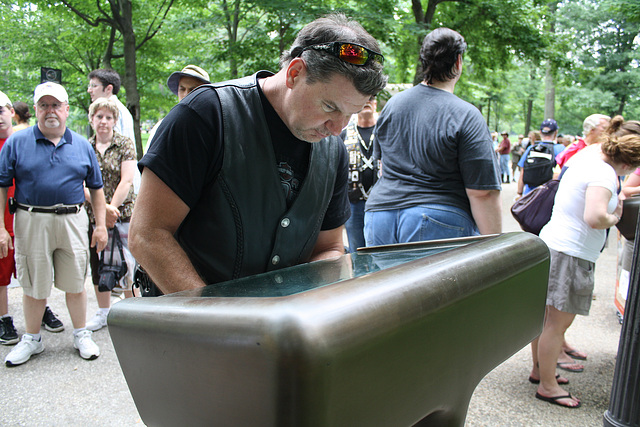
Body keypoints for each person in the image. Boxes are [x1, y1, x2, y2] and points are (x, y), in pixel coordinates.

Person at [129, 14, 387, 294]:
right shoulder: (206, 117)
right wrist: (212, 321)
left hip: (281, 331)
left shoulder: (333, 150)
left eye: (350, 114)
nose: (338, 129)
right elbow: (148, 235)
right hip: (188, 328)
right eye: (329, 107)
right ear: (294, 73)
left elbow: (329, 248)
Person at [530, 116, 640, 408]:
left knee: (544, 319)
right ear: (628, 163)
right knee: (557, 324)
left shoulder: (588, 157)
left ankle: (541, 371)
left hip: (555, 244)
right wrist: (614, 217)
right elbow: (595, 217)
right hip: (571, 253)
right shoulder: (604, 174)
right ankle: (548, 386)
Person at [0, 82, 108, 366]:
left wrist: (100, 226)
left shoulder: (82, 145)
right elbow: (2, 186)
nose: (51, 111)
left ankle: (81, 334)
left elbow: (96, 188)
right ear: (35, 109)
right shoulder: (16, 143)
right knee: (34, 284)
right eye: (44, 105)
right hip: (31, 220)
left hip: (73, 220)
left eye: (56, 105)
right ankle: (32, 339)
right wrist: (1, 227)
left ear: (67, 110)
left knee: (76, 283)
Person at [363, 27, 501, 246]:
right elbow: (482, 193)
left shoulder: (392, 106)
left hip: (379, 215)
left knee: (389, 282)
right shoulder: (466, 115)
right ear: (458, 62)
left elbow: (382, 167)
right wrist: (495, 248)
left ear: (424, 62)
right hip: (437, 218)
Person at [84, 98, 137, 331]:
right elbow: (79, 182)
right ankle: (103, 312)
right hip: (94, 216)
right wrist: (102, 210)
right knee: (99, 263)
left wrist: (111, 209)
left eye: (108, 117)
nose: (103, 121)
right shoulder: (84, 146)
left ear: (115, 121)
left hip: (123, 214)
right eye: (99, 117)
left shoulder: (125, 144)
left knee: (127, 262)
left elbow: (127, 179)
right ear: (92, 119)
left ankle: (132, 310)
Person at [339, 96, 378, 252]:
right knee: (357, 250)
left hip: (379, 202)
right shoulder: (344, 133)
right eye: (365, 98)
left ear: (375, 104)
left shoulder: (384, 131)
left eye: (372, 98)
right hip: (353, 201)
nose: (368, 101)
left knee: (379, 248)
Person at [145, 65, 210, 153]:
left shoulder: (213, 126)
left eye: (193, 89)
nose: (186, 94)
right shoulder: (164, 126)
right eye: (182, 89)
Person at [0, 91, 18, 345]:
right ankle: (4, 317)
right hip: (3, 222)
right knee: (2, 277)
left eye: (1, 111)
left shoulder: (24, 140)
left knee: (32, 272)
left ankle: (41, 308)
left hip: (25, 219)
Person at [517, 119, 565, 197]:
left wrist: (519, 193)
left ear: (540, 132)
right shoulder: (561, 149)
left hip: (529, 194)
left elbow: (523, 172)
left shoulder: (531, 148)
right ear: (556, 132)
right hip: (550, 195)